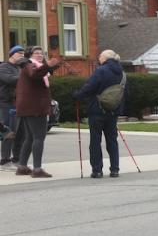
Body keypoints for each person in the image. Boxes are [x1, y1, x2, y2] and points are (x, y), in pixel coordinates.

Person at [72, 49, 126, 178]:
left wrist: (77, 95)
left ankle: (97, 170)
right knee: (112, 140)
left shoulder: (101, 71)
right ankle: (115, 169)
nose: (98, 57)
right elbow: (125, 92)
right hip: (113, 111)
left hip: (97, 110)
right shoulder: (122, 73)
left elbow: (89, 87)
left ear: (106, 58)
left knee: (95, 140)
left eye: (100, 55)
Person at [15, 46, 59, 178]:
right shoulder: (30, 65)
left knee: (29, 137)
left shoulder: (32, 65)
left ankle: (22, 167)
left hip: (28, 107)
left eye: (41, 53)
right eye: (36, 53)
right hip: (35, 107)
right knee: (39, 137)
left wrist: (50, 66)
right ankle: (37, 169)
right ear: (30, 55)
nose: (40, 55)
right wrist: (48, 65)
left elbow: (40, 73)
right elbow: (35, 74)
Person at [0, 45, 25, 169]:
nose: (21, 55)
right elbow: (10, 80)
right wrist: (26, 76)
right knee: (9, 132)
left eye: (23, 54)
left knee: (19, 132)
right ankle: (5, 161)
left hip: (18, 103)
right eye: (19, 53)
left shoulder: (19, 69)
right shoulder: (4, 67)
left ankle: (17, 159)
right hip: (6, 104)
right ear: (12, 54)